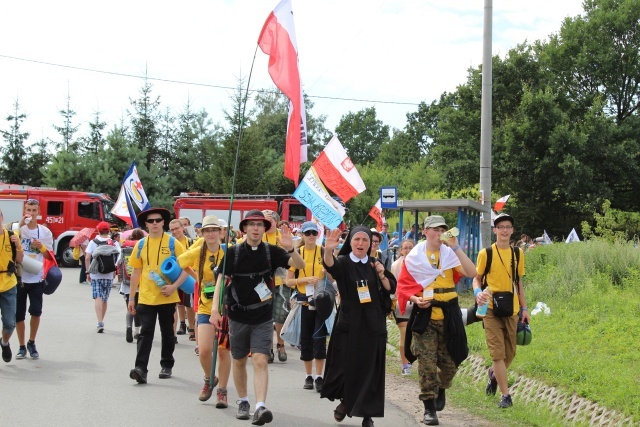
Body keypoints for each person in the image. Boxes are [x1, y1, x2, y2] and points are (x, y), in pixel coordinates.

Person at [210, 209, 305, 425]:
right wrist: (215, 310)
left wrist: (290, 248)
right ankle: (243, 401)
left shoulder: (272, 252)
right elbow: (220, 282)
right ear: (244, 228)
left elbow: (300, 266)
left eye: (259, 225)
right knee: (240, 360)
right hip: (237, 316)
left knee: (261, 359)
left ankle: (260, 406)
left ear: (264, 229)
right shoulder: (233, 253)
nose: (255, 228)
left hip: (263, 316)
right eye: (251, 224)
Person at [396, 215, 476, 426]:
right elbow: (403, 287)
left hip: (449, 314)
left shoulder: (450, 254)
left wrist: (456, 247)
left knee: (452, 363)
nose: (439, 233)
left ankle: (441, 388)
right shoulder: (414, 257)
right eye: (435, 230)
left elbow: (472, 272)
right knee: (427, 365)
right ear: (425, 231)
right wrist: (415, 298)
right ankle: (429, 408)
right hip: (426, 315)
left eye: (443, 229)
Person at [321, 226, 396, 427]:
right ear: (351, 242)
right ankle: (346, 401)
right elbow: (331, 267)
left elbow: (390, 288)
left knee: (370, 369)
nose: (361, 244)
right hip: (349, 321)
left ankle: (367, 414)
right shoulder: (344, 262)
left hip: (373, 323)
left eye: (365, 240)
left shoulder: (375, 263)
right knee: (345, 366)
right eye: (357, 240)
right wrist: (328, 250)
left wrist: (381, 274)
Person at [473, 213, 529, 409]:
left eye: (508, 227)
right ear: (494, 230)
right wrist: (478, 292)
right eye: (501, 227)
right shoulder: (485, 253)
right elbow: (476, 278)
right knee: (497, 354)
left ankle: (493, 375)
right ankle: (506, 396)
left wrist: (524, 308)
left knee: (510, 352)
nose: (504, 230)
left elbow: (518, 281)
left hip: (512, 308)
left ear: (512, 230)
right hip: (490, 308)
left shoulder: (517, 253)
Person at [127, 207, 188, 384]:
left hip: (167, 296)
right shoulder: (140, 244)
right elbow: (136, 271)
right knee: (145, 333)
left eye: (158, 220)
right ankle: (140, 369)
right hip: (146, 297)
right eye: (151, 221)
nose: (155, 223)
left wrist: (174, 286)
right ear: (146, 224)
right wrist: (132, 297)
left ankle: (167, 364)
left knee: (167, 333)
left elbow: (186, 268)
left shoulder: (173, 243)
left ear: (163, 222)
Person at [175, 215, 231, 407]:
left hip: (227, 309)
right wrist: (197, 277)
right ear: (202, 233)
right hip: (206, 307)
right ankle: (209, 378)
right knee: (205, 350)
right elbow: (180, 262)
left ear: (221, 232)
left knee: (223, 351)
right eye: (207, 231)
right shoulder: (198, 252)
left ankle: (222, 391)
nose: (211, 234)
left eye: (214, 230)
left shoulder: (229, 252)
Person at [285, 221, 327, 393]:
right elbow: (288, 281)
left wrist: (326, 274)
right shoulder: (297, 254)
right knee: (306, 341)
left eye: (313, 233)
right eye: (307, 233)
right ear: (302, 235)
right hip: (303, 302)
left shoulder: (323, 252)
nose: (311, 236)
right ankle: (308, 375)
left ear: (317, 235)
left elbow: (333, 279)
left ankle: (319, 376)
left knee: (320, 340)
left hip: (321, 303)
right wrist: (305, 280)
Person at [16, 199, 54, 359]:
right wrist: (19, 224)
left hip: (37, 278)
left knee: (36, 312)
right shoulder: (18, 229)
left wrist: (42, 247)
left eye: (34, 210)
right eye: (28, 210)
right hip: (19, 278)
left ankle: (32, 342)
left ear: (39, 212)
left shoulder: (45, 232)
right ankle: (21, 345)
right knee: (19, 315)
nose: (31, 213)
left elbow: (50, 256)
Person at [260, 209, 288, 364]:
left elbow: (289, 255)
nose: (269, 223)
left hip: (281, 282)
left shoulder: (281, 235)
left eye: (271, 220)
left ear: (277, 222)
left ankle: (281, 345)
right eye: (266, 220)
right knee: (266, 317)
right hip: (263, 284)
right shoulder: (259, 236)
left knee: (280, 316)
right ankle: (268, 348)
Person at [85, 221, 121, 333]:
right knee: (105, 299)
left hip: (96, 274)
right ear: (109, 230)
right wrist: (115, 268)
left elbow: (87, 258)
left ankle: (99, 322)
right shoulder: (114, 243)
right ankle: (102, 320)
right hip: (109, 275)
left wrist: (88, 272)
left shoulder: (93, 242)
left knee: (97, 297)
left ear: (98, 230)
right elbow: (120, 257)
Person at [0, 209, 24, 363]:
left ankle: (4, 342)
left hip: (8, 283)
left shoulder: (11, 236)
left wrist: (18, 246)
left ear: (2, 218)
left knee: (9, 323)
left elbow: (20, 259)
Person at [389, 239, 415, 375]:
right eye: (405, 248)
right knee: (404, 334)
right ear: (401, 251)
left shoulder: (420, 264)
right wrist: (391, 304)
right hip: (401, 302)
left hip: (418, 302)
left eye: (411, 247)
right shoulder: (395, 265)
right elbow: (393, 287)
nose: (408, 250)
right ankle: (405, 365)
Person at [170, 218, 196, 342]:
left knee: (189, 305)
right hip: (173, 277)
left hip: (188, 277)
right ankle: (173, 334)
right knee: (174, 305)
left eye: (177, 228)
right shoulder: (169, 244)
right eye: (172, 230)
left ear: (183, 229)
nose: (175, 231)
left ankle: (192, 329)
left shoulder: (191, 242)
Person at [119, 228, 145, 342]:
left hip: (127, 284)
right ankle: (137, 331)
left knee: (130, 307)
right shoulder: (143, 247)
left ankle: (128, 327)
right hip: (141, 282)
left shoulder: (125, 248)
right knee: (139, 308)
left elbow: (119, 263)